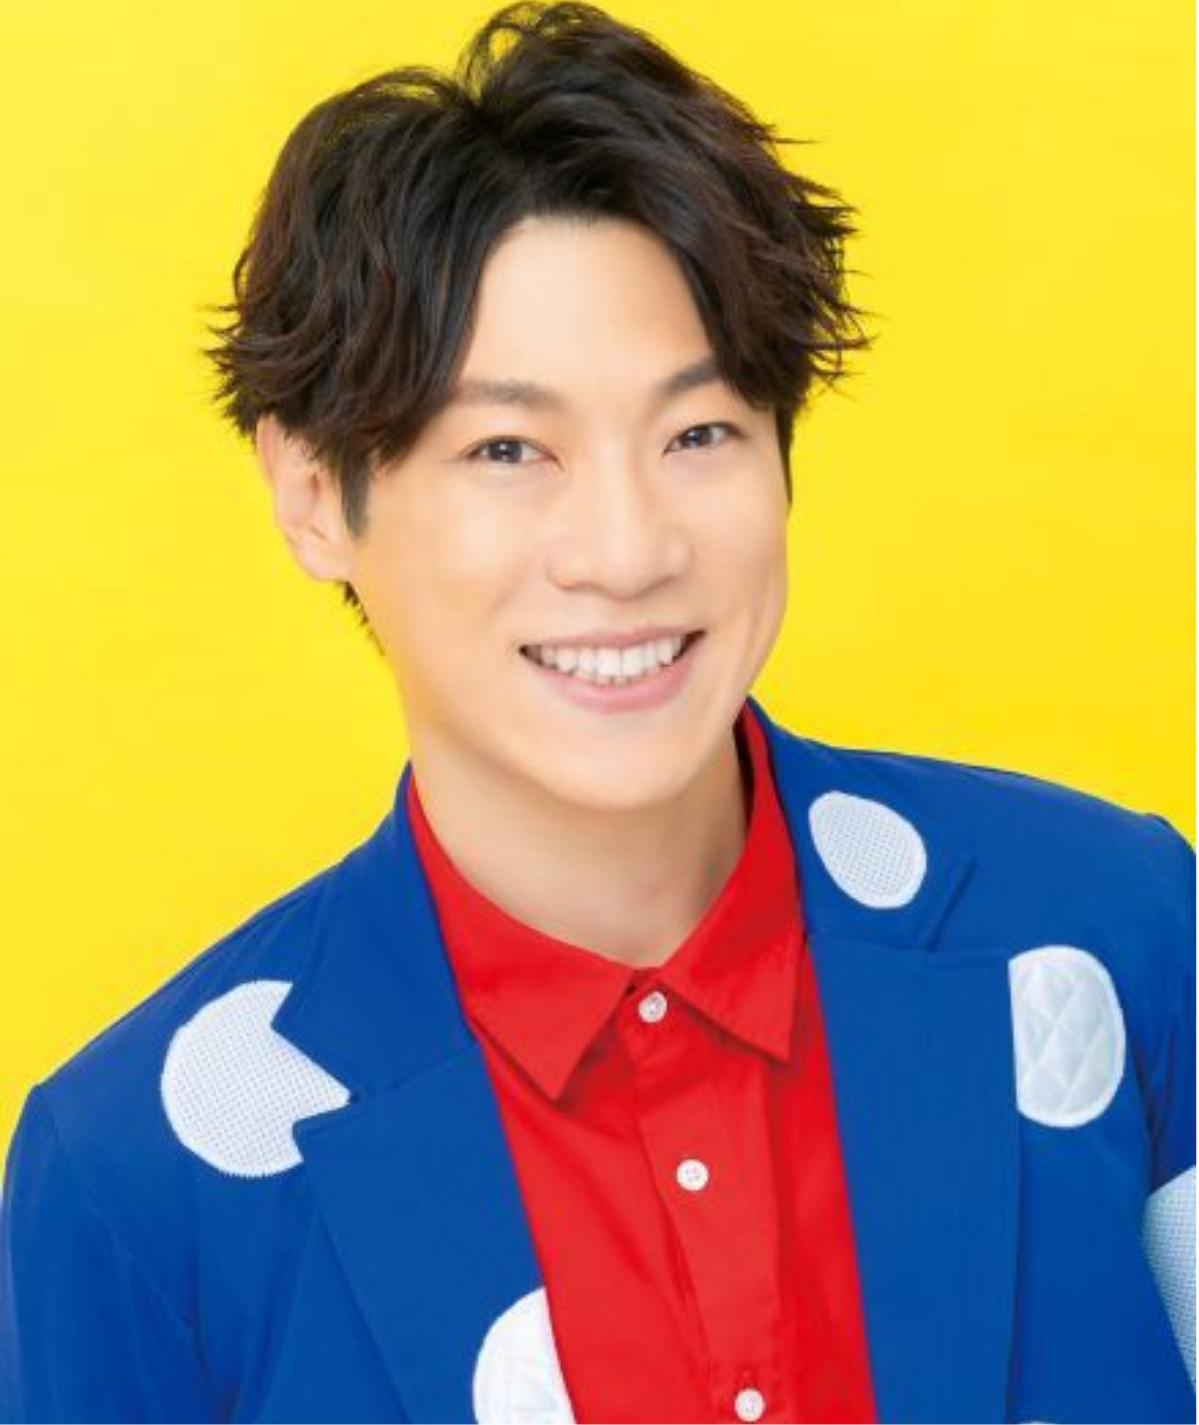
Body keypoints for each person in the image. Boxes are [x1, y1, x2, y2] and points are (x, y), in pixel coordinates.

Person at [1, 3, 1193, 1421]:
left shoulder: (1120, 930)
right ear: (314, 492)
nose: (626, 551)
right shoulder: (136, 1181)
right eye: (510, 448)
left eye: (699, 432)